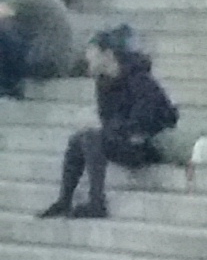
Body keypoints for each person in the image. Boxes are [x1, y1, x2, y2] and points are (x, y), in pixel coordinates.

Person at [39, 27, 182, 220]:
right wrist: (109, 130)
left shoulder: (139, 79)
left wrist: (112, 130)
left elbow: (145, 121)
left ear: (107, 55)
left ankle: (97, 203)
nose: (87, 59)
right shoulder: (103, 82)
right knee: (78, 140)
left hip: (149, 144)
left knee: (92, 137)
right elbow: (108, 120)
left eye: (91, 54)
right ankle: (64, 200)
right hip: (126, 139)